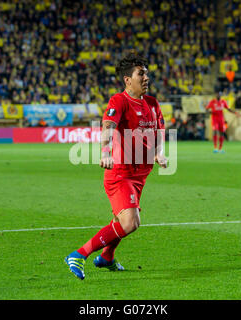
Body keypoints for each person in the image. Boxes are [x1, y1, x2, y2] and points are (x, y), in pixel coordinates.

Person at [64, 52, 167, 280]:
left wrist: (159, 153)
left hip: (140, 175)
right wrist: (105, 152)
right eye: (141, 74)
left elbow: (159, 131)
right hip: (120, 174)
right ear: (127, 80)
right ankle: (79, 254)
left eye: (147, 74)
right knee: (131, 222)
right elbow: (108, 127)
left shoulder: (152, 103)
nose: (146, 78)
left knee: (122, 222)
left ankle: (107, 257)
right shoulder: (118, 101)